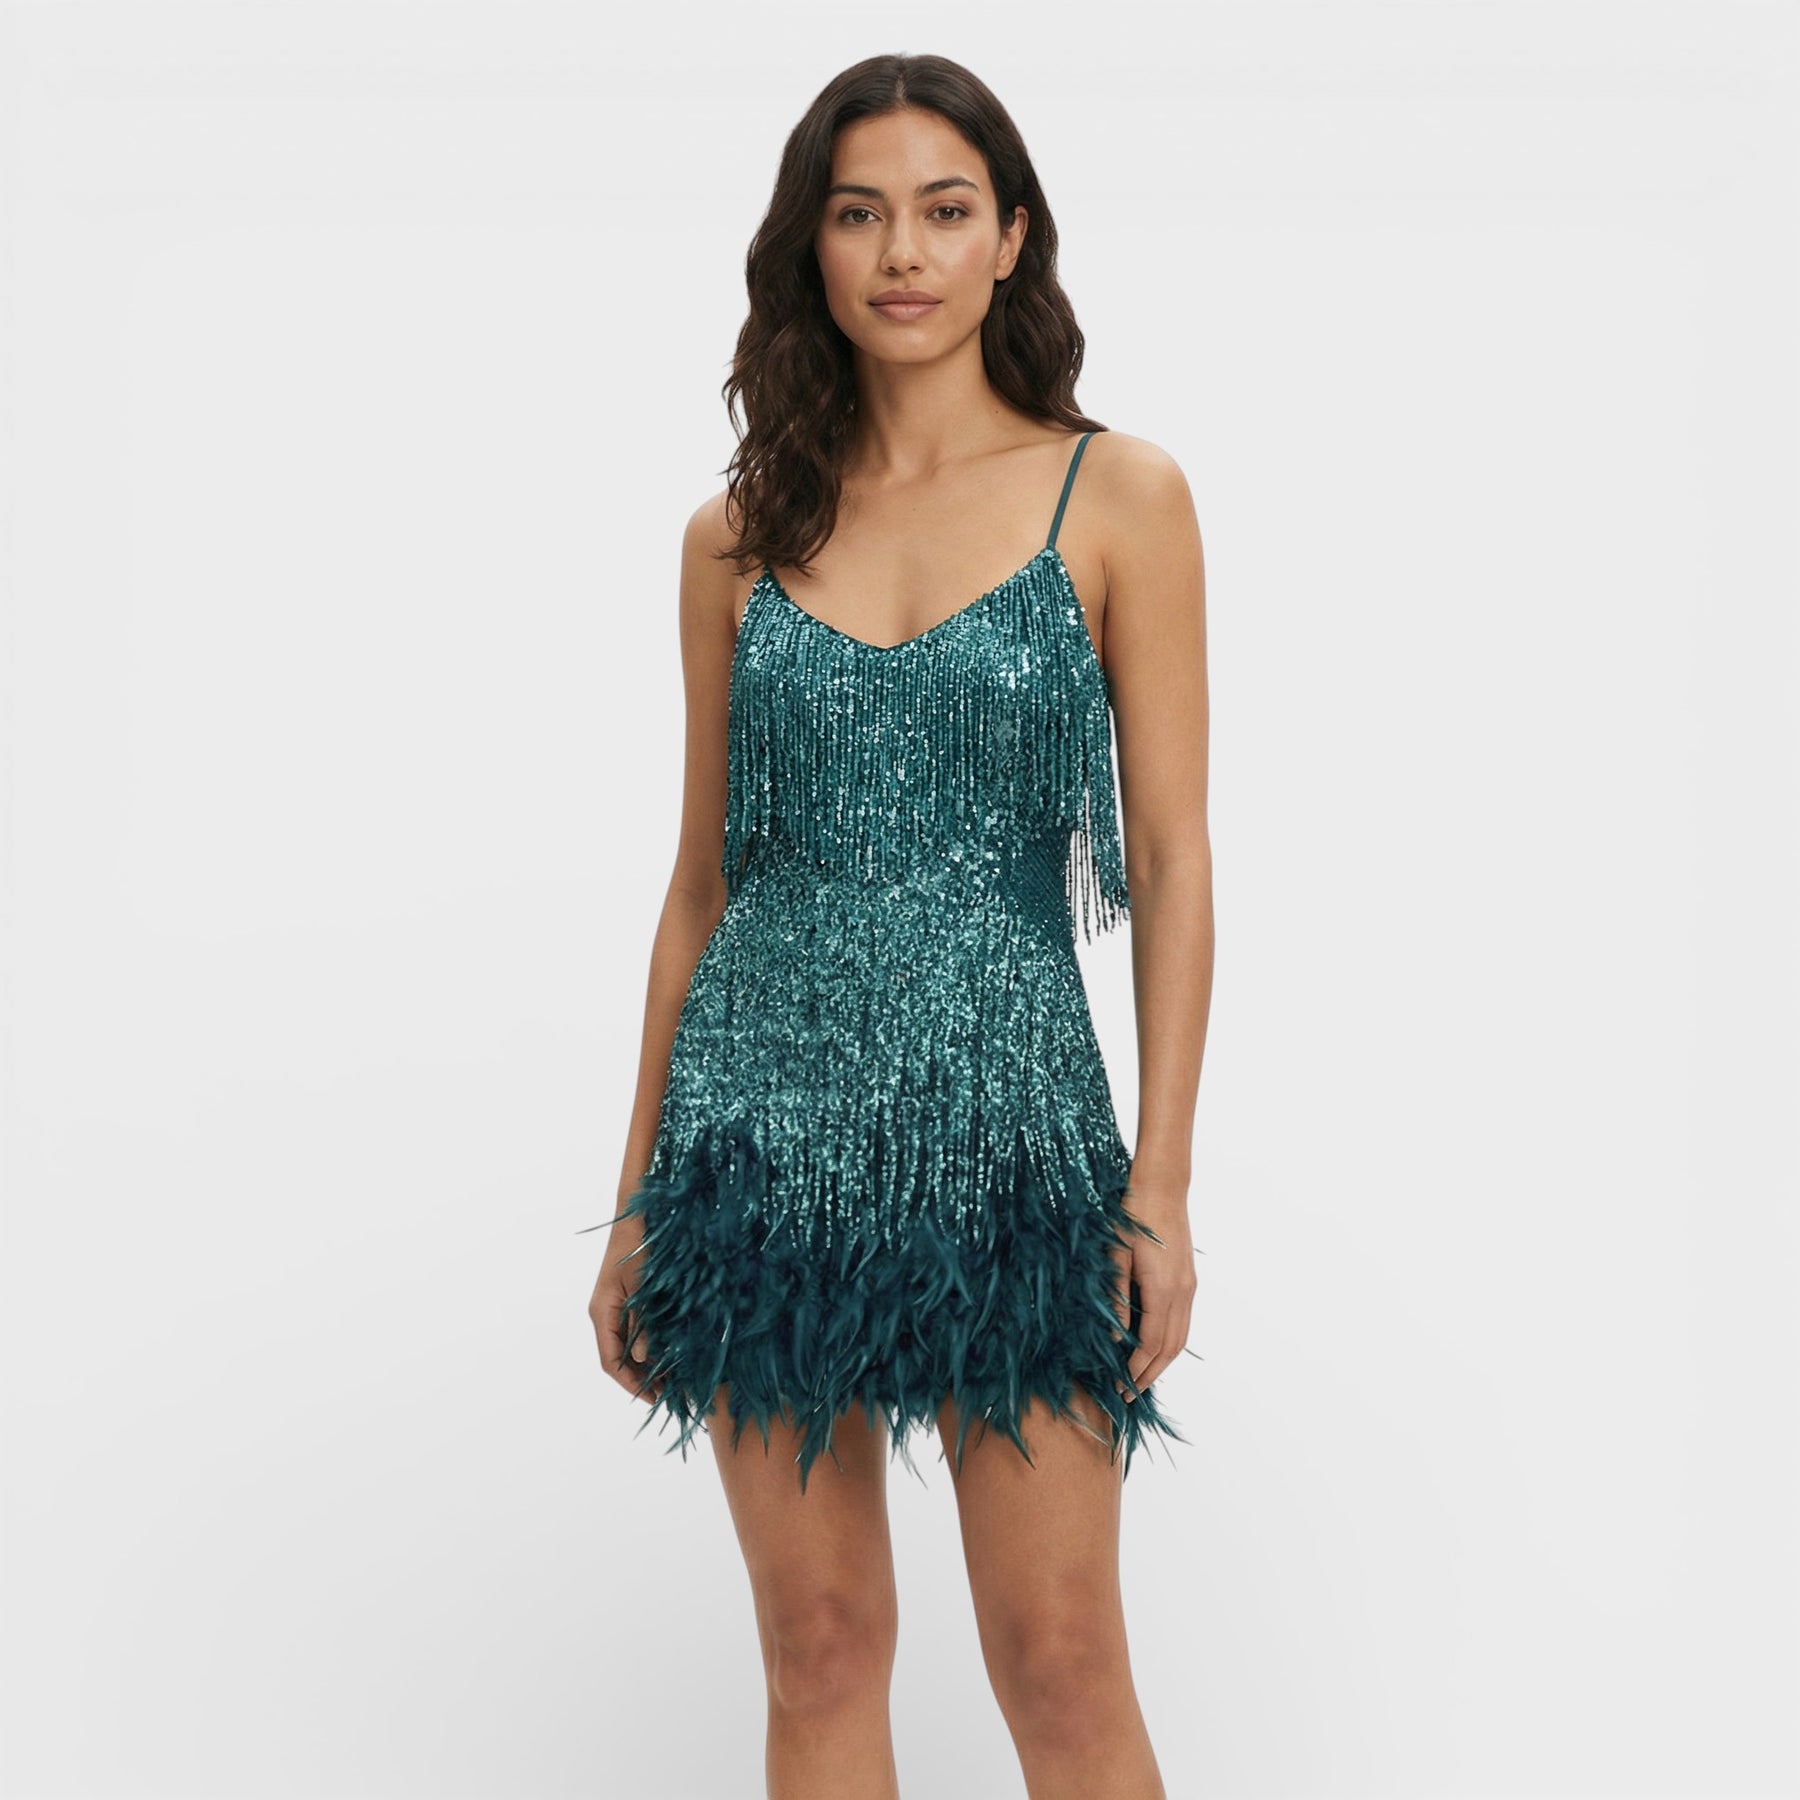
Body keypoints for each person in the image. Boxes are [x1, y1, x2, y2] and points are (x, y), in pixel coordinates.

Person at [584, 51, 1212, 1800]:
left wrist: (1160, 1184)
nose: (904, 253)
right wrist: (637, 1200)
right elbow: (700, 883)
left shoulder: (1122, 495)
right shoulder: (735, 537)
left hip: (1018, 1142)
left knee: (1061, 1660)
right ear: (814, 246)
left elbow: (1172, 857)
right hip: (758, 1143)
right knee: (821, 1646)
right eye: (860, 214)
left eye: (945, 211)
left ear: (1011, 238)